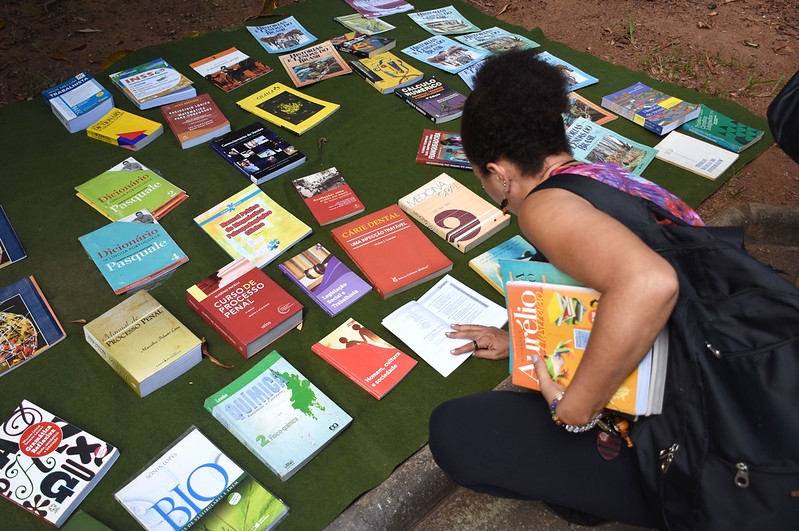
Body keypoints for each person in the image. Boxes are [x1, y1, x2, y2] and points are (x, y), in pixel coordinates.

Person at [427, 49, 787, 527]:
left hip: (713, 432)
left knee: (458, 432)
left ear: (497, 172)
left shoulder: (541, 208)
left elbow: (648, 283)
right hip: (745, 365)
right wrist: (518, 338)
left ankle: (647, 497)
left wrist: (574, 409)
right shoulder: (606, 176)